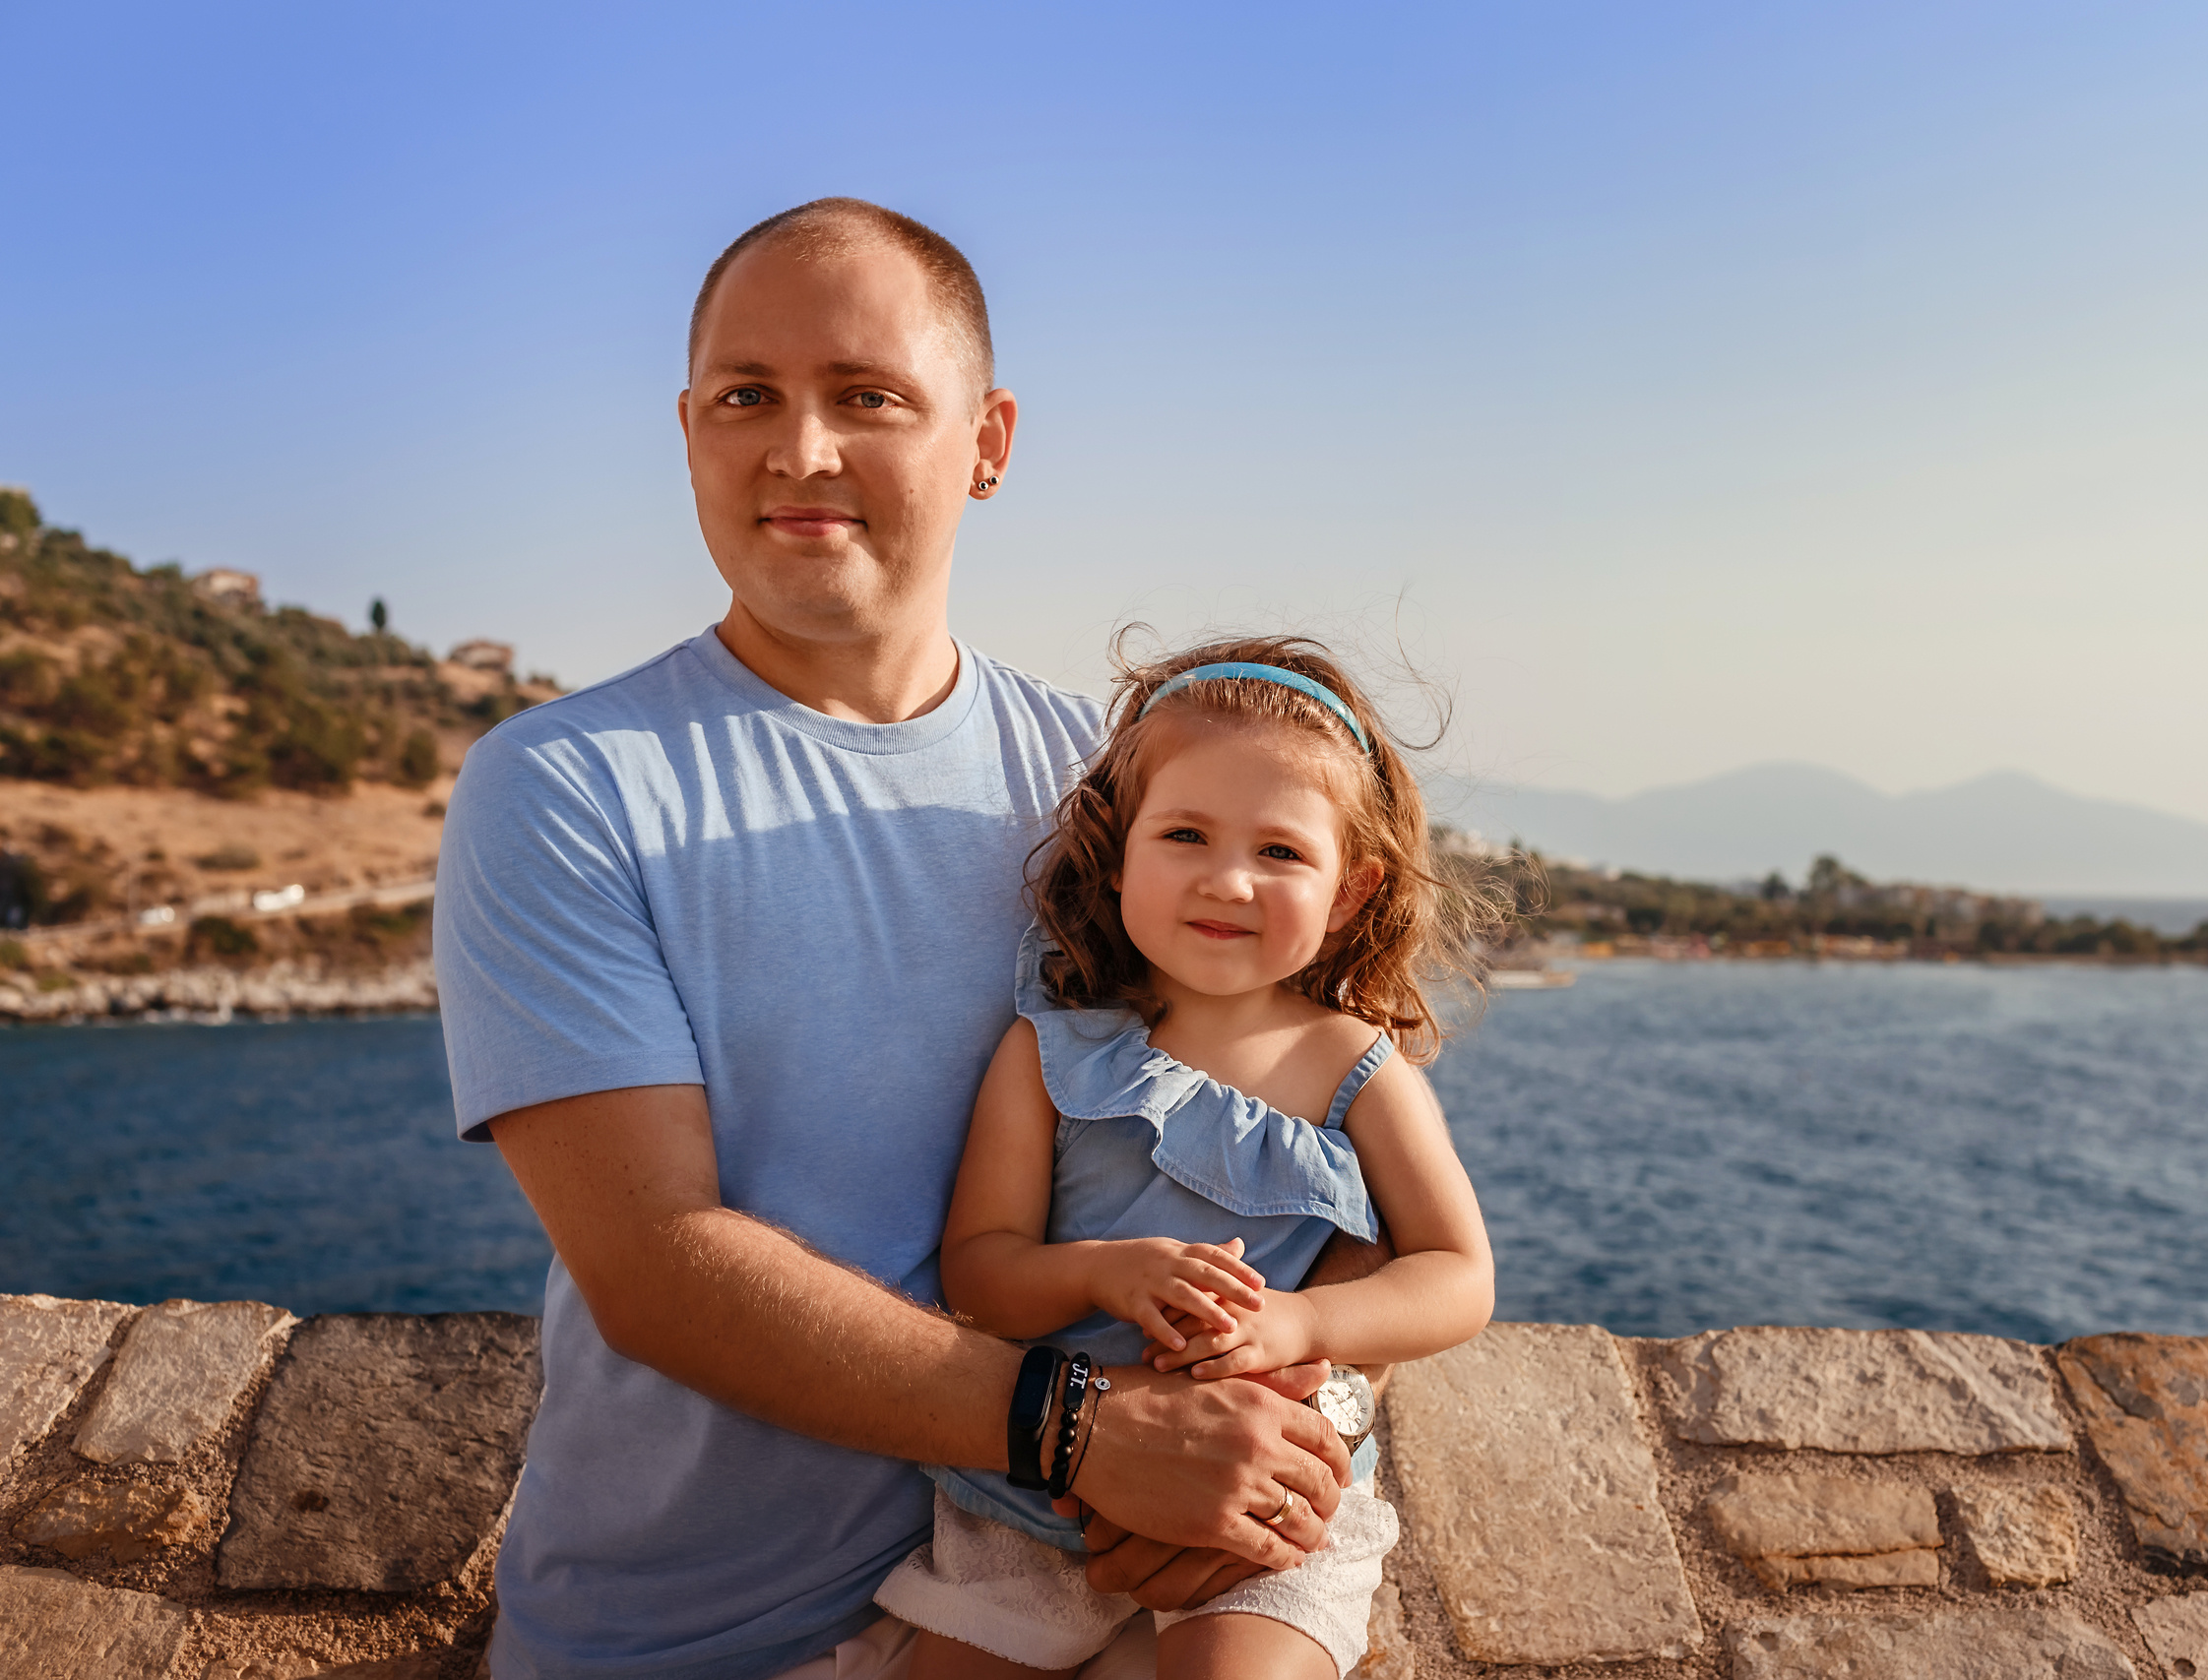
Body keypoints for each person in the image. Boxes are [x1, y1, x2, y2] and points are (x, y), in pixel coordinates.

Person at [434, 200, 1370, 1680]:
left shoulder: (1121, 797)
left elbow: (1317, 1115)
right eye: (748, 396)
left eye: (867, 396)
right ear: (689, 431)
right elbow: (656, 1262)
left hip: (1075, 1601)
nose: (800, 449)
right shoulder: (567, 783)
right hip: (694, 1639)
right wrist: (1092, 1432)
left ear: (988, 442)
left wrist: (1275, 1442)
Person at [871, 640, 1497, 1679]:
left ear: (1351, 891)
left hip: (1269, 1494)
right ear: (1117, 857)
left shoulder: (1358, 1071)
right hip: (1034, 1496)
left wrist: (1302, 1320)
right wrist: (1099, 1272)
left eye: (1282, 853)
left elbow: (1455, 1276)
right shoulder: (1048, 1052)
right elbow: (979, 1274)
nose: (1228, 880)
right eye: (1186, 835)